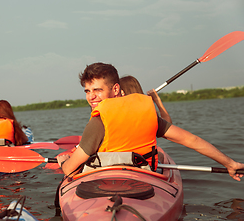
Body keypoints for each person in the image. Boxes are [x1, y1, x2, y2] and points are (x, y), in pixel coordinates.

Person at [57, 62, 244, 181]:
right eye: (88, 91)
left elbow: (69, 170)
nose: (91, 97)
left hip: (106, 182)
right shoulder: (146, 113)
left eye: (97, 90)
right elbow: (190, 140)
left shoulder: (97, 122)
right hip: (144, 177)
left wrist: (63, 162)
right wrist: (229, 163)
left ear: (115, 89)